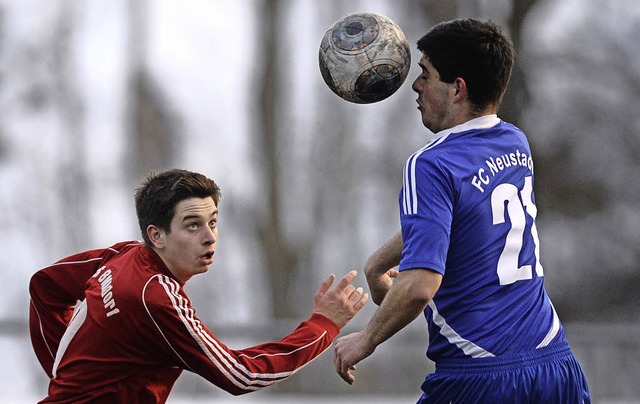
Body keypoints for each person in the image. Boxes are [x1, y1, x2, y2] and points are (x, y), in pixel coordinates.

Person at [333, 18, 591, 403]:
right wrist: (377, 264)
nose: (416, 86)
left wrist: (365, 340)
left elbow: (421, 283)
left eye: (425, 74)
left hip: (481, 377)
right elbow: (459, 214)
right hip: (555, 367)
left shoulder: (431, 164)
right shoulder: (514, 143)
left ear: (457, 89)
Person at [29, 168, 368, 403]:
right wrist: (324, 325)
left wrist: (67, 380)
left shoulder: (124, 257)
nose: (209, 238)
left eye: (213, 222)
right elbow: (241, 375)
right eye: (192, 226)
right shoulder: (154, 297)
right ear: (156, 235)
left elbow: (44, 287)